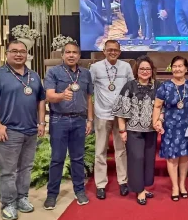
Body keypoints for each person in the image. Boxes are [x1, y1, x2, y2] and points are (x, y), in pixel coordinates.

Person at [0, 40, 46, 220]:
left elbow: (41, 100)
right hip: (8, 131)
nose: (19, 54)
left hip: (31, 130)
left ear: (27, 54)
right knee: (8, 171)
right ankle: (8, 203)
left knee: (26, 168)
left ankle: (22, 198)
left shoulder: (34, 75)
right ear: (7, 53)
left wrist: (41, 122)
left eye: (22, 52)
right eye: (14, 51)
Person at [43, 42, 94, 210]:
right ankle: (52, 195)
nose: (71, 55)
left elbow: (88, 98)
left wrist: (90, 120)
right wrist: (61, 95)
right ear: (63, 55)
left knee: (77, 158)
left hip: (80, 121)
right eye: (68, 52)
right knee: (57, 159)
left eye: (75, 52)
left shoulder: (86, 74)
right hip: (59, 120)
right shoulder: (53, 72)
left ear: (79, 56)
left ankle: (79, 191)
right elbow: (49, 96)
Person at [112, 56, 161, 205]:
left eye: (147, 69)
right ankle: (139, 191)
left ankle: (143, 187)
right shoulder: (129, 86)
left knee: (148, 160)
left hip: (151, 130)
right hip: (133, 131)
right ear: (136, 71)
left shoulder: (158, 86)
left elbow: (161, 108)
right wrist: (122, 131)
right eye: (142, 69)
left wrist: (159, 121)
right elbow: (120, 111)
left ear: (152, 71)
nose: (145, 71)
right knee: (137, 159)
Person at [89, 40, 133, 200]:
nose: (112, 52)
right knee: (100, 150)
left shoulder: (126, 67)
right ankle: (100, 184)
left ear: (120, 52)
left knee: (121, 150)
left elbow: (131, 88)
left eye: (115, 50)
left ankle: (123, 181)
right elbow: (89, 89)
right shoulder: (95, 68)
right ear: (104, 51)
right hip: (102, 114)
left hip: (120, 115)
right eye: (109, 50)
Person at [152, 56, 188, 201]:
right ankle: (175, 186)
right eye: (174, 66)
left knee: (184, 157)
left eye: (180, 66)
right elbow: (158, 106)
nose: (177, 69)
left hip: (187, 127)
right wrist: (155, 121)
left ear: (186, 69)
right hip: (171, 128)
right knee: (172, 158)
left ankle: (182, 185)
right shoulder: (165, 86)